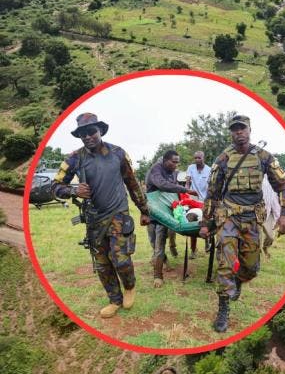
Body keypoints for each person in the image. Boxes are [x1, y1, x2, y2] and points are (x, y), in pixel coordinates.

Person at [51, 113, 150, 318]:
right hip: (94, 220)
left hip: (118, 214)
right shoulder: (74, 158)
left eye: (91, 132)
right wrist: (73, 191)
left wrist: (144, 210)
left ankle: (129, 287)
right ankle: (114, 300)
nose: (87, 137)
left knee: (120, 259)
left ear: (100, 131)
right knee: (102, 264)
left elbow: (132, 183)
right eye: (82, 134)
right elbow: (55, 186)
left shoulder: (118, 153)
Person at [199, 114, 285, 332]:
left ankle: (240, 280)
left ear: (250, 130)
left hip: (252, 218)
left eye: (242, 128)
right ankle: (223, 308)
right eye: (234, 129)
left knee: (251, 267)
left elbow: (284, 184)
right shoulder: (222, 159)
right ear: (230, 133)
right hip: (229, 216)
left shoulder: (264, 157)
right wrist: (205, 222)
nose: (238, 132)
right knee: (226, 263)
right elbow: (212, 194)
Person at [145, 150, 198, 287]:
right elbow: (162, 185)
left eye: (177, 162)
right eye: (173, 162)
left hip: (166, 212)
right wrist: (185, 190)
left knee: (160, 241)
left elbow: (175, 190)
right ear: (165, 160)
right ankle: (164, 261)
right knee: (153, 242)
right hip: (153, 211)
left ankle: (158, 276)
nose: (176, 164)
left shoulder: (175, 173)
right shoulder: (156, 170)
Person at [185, 151, 211, 258]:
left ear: (203, 158)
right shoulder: (191, 168)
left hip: (205, 200)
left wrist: (209, 200)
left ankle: (207, 243)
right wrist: (186, 191)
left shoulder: (209, 170)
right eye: (195, 158)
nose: (197, 160)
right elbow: (188, 181)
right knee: (193, 222)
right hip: (193, 198)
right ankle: (193, 250)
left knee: (206, 222)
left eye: (199, 158)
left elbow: (210, 186)